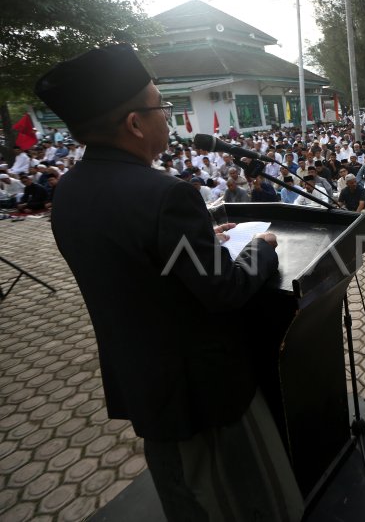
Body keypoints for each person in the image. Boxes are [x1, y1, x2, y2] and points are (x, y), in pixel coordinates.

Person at [35, 44, 302, 521]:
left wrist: (197, 242)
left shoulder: (70, 190)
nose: (169, 116)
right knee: (233, 498)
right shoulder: (164, 196)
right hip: (200, 390)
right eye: (162, 106)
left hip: (141, 376)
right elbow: (223, 291)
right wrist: (263, 248)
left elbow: (136, 263)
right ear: (136, 124)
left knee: (179, 489)